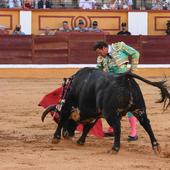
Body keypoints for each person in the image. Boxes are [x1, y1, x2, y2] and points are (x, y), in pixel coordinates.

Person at [93, 41, 140, 141]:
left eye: (99, 52)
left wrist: (132, 69)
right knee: (110, 106)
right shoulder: (101, 58)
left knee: (130, 105)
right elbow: (98, 71)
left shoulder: (120, 47)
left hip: (124, 81)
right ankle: (112, 128)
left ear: (104, 48)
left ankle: (134, 132)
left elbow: (135, 53)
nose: (99, 55)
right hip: (111, 84)